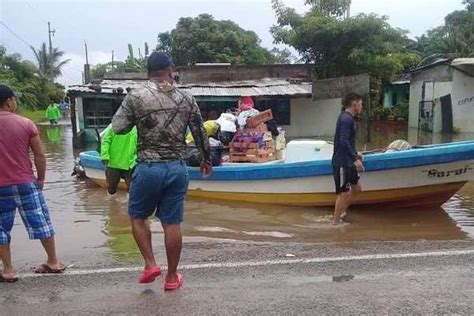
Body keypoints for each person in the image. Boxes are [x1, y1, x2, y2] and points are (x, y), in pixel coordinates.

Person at [112, 51, 212, 290]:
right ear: (171, 70)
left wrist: (142, 119)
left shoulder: (136, 96)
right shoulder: (187, 98)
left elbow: (118, 128)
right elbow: (200, 132)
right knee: (172, 223)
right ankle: (171, 277)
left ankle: (150, 264)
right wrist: (206, 160)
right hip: (177, 168)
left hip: (148, 167)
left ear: (148, 73)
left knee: (138, 217)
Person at [0, 85, 63, 283]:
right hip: (26, 182)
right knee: (41, 221)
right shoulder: (26, 123)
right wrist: (41, 179)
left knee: (0, 229)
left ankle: (8, 270)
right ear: (9, 101)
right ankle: (53, 262)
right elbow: (40, 155)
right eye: (14, 99)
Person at [332, 92, 365, 225]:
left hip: (348, 160)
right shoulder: (346, 119)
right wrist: (355, 159)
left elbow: (348, 142)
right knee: (343, 193)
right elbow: (343, 141)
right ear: (354, 104)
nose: (361, 107)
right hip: (342, 162)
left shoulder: (348, 119)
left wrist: (356, 154)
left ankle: (342, 212)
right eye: (361, 104)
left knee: (357, 189)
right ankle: (335, 223)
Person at [100, 123, 137, 196]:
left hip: (131, 163)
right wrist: (105, 155)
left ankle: (129, 204)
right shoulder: (113, 126)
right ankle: (112, 204)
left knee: (132, 189)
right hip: (114, 162)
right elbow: (105, 140)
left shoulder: (137, 128)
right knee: (111, 188)